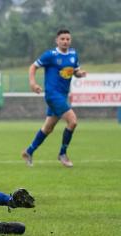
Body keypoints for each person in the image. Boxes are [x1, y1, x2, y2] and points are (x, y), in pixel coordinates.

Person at [22, 29, 87, 167]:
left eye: (68, 39)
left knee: (48, 128)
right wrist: (33, 83)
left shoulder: (73, 55)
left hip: (63, 96)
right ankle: (62, 154)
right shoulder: (50, 55)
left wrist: (80, 74)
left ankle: (29, 151)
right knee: (73, 121)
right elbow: (33, 67)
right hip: (52, 95)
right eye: (62, 39)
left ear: (70, 40)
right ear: (57, 40)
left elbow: (75, 71)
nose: (65, 41)